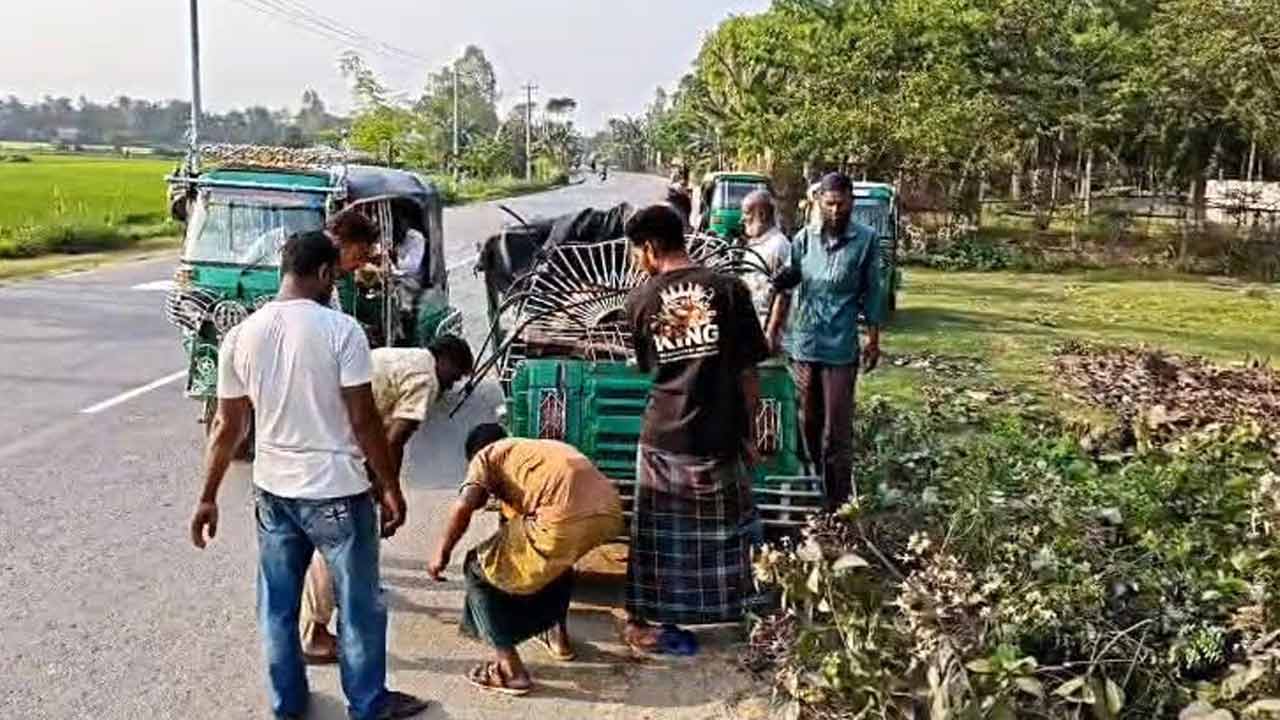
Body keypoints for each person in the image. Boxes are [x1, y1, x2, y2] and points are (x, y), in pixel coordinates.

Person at [189, 231, 429, 720]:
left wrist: (207, 497)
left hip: (273, 492)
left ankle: (287, 703)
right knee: (359, 607)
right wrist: (389, 485)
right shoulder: (342, 331)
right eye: (334, 276)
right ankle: (368, 705)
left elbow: (227, 426)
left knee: (277, 607)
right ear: (323, 273)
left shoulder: (241, 336)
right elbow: (364, 419)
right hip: (338, 491)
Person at [620, 204, 769, 654]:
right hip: (719, 435)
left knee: (656, 542)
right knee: (734, 534)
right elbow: (748, 375)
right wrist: (750, 434)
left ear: (650, 248)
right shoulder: (730, 290)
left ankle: (642, 619)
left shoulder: (640, 301)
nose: (637, 261)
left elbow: (654, 368)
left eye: (636, 253)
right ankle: (748, 614)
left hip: (663, 436)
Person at [300, 335, 475, 664]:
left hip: (320, 431)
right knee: (337, 536)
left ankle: (349, 589)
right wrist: (389, 492)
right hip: (333, 446)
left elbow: (386, 439)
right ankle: (314, 633)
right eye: (455, 377)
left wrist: (380, 487)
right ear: (446, 361)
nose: (450, 386)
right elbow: (393, 441)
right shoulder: (426, 378)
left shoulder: (405, 357)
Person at [428, 424, 623, 696]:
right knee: (553, 558)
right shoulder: (531, 452)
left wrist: (442, 552)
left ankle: (511, 671)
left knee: (477, 567)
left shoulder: (486, 456)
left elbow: (465, 504)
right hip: (609, 511)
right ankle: (556, 635)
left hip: (562, 517)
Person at [766, 172, 885, 511]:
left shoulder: (865, 241)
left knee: (836, 429)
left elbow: (873, 292)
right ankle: (810, 491)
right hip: (805, 343)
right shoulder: (804, 239)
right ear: (819, 202)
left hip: (840, 347)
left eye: (841, 205)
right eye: (829, 204)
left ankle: (837, 501)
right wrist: (772, 331)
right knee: (807, 422)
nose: (835, 211)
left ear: (851, 203)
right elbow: (786, 286)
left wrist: (873, 340)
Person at [739, 189, 793, 327]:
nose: (742, 219)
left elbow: (785, 296)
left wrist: (770, 332)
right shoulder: (755, 244)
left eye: (746, 213)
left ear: (762, 215)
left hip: (767, 325)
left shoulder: (779, 246)